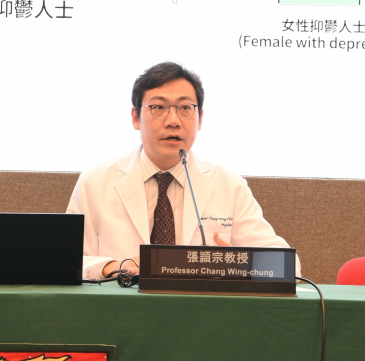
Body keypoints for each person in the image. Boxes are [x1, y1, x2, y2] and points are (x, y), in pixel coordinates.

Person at [67, 61, 299, 280]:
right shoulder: (94, 183)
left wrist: (240, 264)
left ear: (200, 119)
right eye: (159, 107)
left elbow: (288, 265)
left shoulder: (229, 186)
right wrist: (110, 267)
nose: (173, 120)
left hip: (199, 308)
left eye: (185, 108)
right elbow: (66, 260)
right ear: (136, 118)